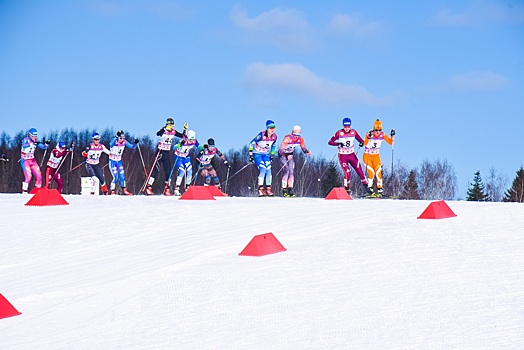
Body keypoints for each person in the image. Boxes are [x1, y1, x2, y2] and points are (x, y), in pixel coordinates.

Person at [328, 117, 372, 195]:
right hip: (342, 156)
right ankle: (347, 189)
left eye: (348, 126)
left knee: (360, 171)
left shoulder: (353, 132)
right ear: (343, 126)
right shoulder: (339, 133)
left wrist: (361, 143)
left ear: (350, 126)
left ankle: (367, 188)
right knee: (347, 172)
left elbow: (361, 140)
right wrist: (338, 143)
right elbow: (330, 142)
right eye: (345, 126)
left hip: (351, 155)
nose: (347, 128)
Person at [144, 118, 187, 196]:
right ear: (167, 125)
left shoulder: (173, 132)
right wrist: (164, 129)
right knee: (156, 169)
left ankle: (167, 188)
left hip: (167, 152)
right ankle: (148, 186)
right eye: (170, 125)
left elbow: (183, 136)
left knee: (168, 171)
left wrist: (184, 130)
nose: (172, 127)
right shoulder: (164, 130)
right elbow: (158, 134)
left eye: (172, 125)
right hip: (160, 151)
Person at [363, 119, 395, 197]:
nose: (377, 132)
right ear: (373, 129)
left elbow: (390, 142)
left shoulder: (382, 135)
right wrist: (367, 137)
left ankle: (380, 190)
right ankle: (369, 190)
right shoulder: (369, 134)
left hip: (376, 157)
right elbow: (364, 143)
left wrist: (392, 135)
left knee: (379, 173)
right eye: (376, 130)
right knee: (371, 173)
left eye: (379, 130)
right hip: (367, 157)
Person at [278, 125, 311, 197]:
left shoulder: (300, 139)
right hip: (282, 155)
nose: (296, 136)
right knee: (286, 171)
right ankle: (284, 189)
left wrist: (306, 152)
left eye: (298, 135)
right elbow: (281, 149)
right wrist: (287, 153)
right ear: (292, 132)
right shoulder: (287, 138)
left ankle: (290, 189)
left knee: (291, 171)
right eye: (295, 135)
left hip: (290, 155)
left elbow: (303, 147)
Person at [249, 119, 278, 197]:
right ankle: (260, 189)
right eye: (270, 128)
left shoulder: (274, 137)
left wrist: (272, 155)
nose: (272, 130)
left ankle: (268, 189)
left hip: (265, 154)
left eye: (274, 127)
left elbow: (273, 146)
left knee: (269, 169)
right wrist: (251, 155)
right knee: (263, 169)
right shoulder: (261, 135)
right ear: (267, 128)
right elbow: (251, 143)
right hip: (257, 154)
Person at [109, 130, 139, 195]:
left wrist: (135, 143)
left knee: (122, 176)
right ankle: (112, 191)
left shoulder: (124, 142)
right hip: (112, 161)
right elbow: (110, 144)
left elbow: (132, 147)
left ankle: (124, 190)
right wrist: (115, 137)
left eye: (123, 138)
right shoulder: (114, 142)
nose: (122, 140)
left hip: (119, 161)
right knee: (115, 177)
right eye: (120, 138)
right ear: (117, 137)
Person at [20, 127, 50, 193]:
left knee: (39, 176)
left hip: (32, 160)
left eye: (36, 136)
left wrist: (46, 144)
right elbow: (24, 146)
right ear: (30, 135)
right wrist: (31, 144)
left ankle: (37, 190)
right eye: (33, 136)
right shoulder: (26, 140)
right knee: (28, 176)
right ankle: (24, 191)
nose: (35, 138)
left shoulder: (35, 141)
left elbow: (43, 147)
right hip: (25, 160)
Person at [173, 130, 198, 196]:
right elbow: (174, 147)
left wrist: (204, 147)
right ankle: (177, 188)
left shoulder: (194, 141)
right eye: (190, 139)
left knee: (189, 170)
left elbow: (199, 147)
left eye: (192, 139)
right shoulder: (183, 140)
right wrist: (179, 145)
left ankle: (187, 187)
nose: (191, 141)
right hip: (178, 157)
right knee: (182, 171)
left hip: (186, 158)